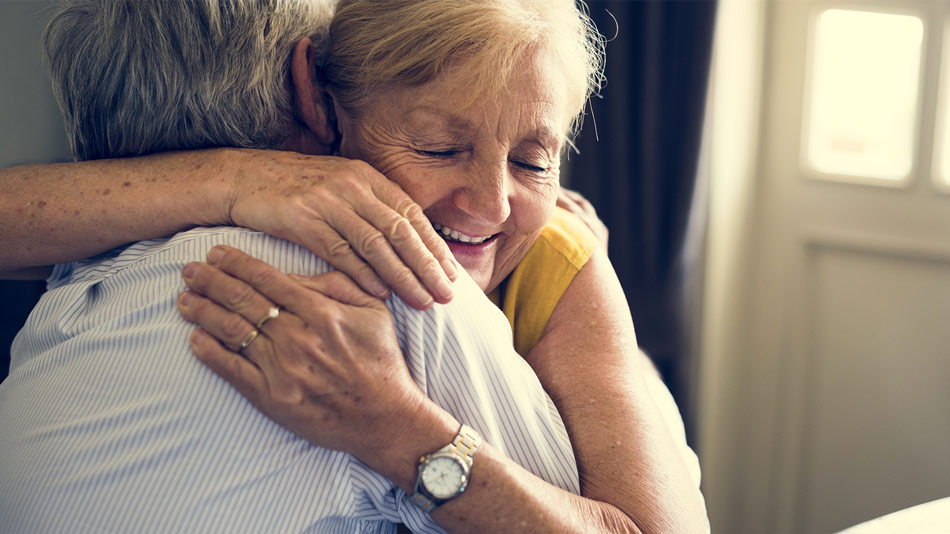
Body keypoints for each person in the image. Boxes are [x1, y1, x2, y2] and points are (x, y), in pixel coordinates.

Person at [0, 0, 709, 532]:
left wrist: (395, 426)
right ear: (328, 104)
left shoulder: (551, 255)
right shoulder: (378, 273)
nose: (494, 205)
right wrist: (232, 178)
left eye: (534, 161)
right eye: (436, 147)